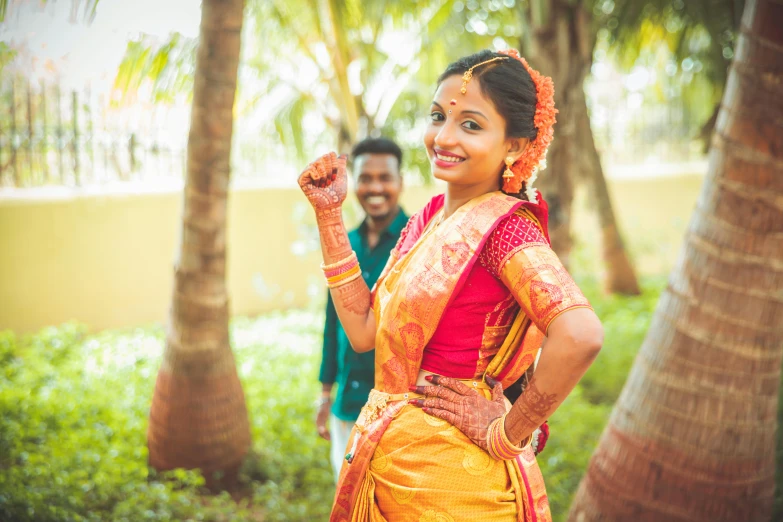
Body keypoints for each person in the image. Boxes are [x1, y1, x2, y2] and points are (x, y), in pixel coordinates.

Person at [298, 49, 603, 522]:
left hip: (453, 484)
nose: (443, 137)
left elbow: (581, 334)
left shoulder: (505, 230)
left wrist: (507, 431)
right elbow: (363, 331)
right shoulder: (429, 218)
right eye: (439, 116)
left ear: (516, 146)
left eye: (472, 125)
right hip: (388, 459)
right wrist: (329, 217)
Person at [317, 138, 408, 482]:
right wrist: (326, 392)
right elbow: (333, 324)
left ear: (401, 182)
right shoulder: (347, 243)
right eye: (365, 178)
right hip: (346, 406)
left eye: (384, 177)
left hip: (396, 413)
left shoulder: (418, 240)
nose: (375, 187)